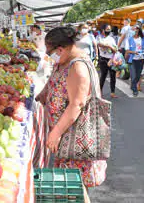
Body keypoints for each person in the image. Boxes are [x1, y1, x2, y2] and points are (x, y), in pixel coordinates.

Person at [37, 26, 107, 190]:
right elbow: (52, 83)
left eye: (49, 52)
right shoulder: (63, 61)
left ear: (60, 49)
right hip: (66, 137)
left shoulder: (77, 67)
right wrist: (39, 97)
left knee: (75, 185)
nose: (49, 56)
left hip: (76, 136)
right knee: (67, 184)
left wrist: (56, 133)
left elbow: (77, 104)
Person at [126, 25, 144, 97]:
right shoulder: (129, 39)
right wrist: (134, 52)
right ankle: (135, 90)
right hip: (132, 60)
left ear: (139, 30)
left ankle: (133, 85)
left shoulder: (143, 39)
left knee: (138, 76)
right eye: (133, 29)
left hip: (141, 59)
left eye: (137, 29)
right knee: (133, 75)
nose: (135, 30)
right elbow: (127, 50)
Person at [97, 25, 118, 98]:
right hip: (103, 59)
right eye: (107, 29)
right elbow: (99, 44)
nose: (108, 30)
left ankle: (112, 92)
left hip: (111, 59)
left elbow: (115, 50)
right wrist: (109, 46)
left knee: (113, 76)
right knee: (103, 76)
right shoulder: (99, 37)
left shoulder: (111, 39)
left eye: (109, 29)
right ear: (103, 30)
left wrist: (111, 48)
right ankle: (99, 92)